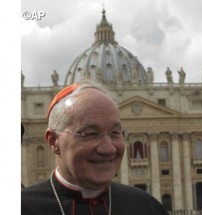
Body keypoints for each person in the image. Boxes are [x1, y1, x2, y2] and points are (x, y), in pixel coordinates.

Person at [21, 81, 169, 215]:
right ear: (54, 141)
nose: (108, 149)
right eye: (90, 134)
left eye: (115, 133)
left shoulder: (148, 207)